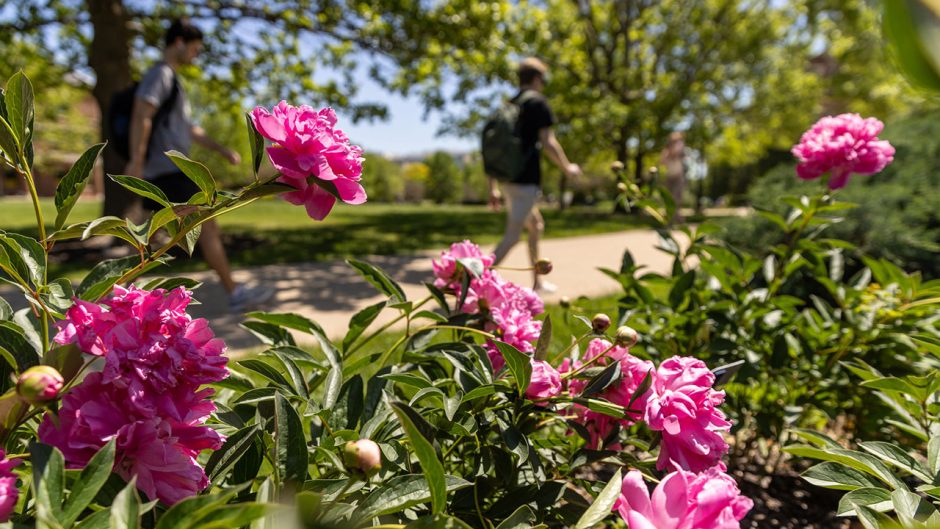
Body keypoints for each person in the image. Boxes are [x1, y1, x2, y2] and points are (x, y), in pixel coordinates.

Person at [124, 18, 273, 311]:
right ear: (178, 42)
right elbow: (142, 114)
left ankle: (122, 297)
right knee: (206, 226)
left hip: (167, 169)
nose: (195, 55)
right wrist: (136, 162)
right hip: (168, 168)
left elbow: (189, 129)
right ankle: (235, 293)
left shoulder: (172, 80)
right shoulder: (161, 74)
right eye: (194, 49)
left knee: (151, 235)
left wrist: (220, 149)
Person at [489, 57, 581, 293]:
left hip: (508, 179)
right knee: (512, 236)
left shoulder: (509, 104)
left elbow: (492, 148)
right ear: (538, 78)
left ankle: (537, 281)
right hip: (525, 180)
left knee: (536, 225)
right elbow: (548, 142)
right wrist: (567, 167)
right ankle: (470, 283)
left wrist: (493, 186)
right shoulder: (537, 103)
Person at [660, 131, 687, 223]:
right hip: (668, 176)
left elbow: (677, 152)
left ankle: (677, 218)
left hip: (678, 176)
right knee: (668, 198)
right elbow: (662, 162)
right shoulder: (666, 151)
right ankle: (670, 219)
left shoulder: (680, 147)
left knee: (677, 198)